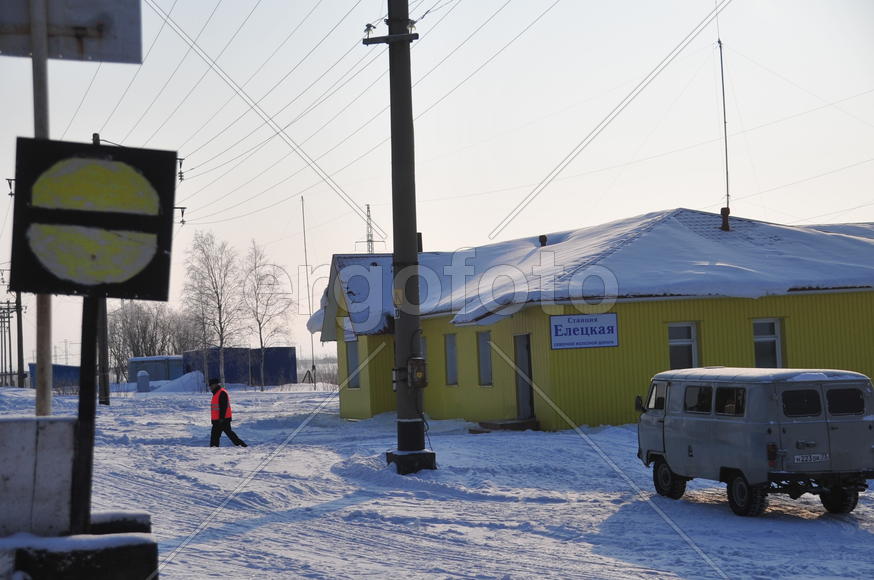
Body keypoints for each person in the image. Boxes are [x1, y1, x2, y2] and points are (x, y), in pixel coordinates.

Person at [209, 378, 247, 447]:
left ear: (215, 385)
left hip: (222, 420)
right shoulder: (216, 393)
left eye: (211, 385)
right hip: (218, 420)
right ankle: (213, 448)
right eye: (210, 386)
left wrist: (221, 418)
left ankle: (242, 445)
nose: (210, 387)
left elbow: (224, 407)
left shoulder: (222, 393)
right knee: (218, 435)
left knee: (228, 434)